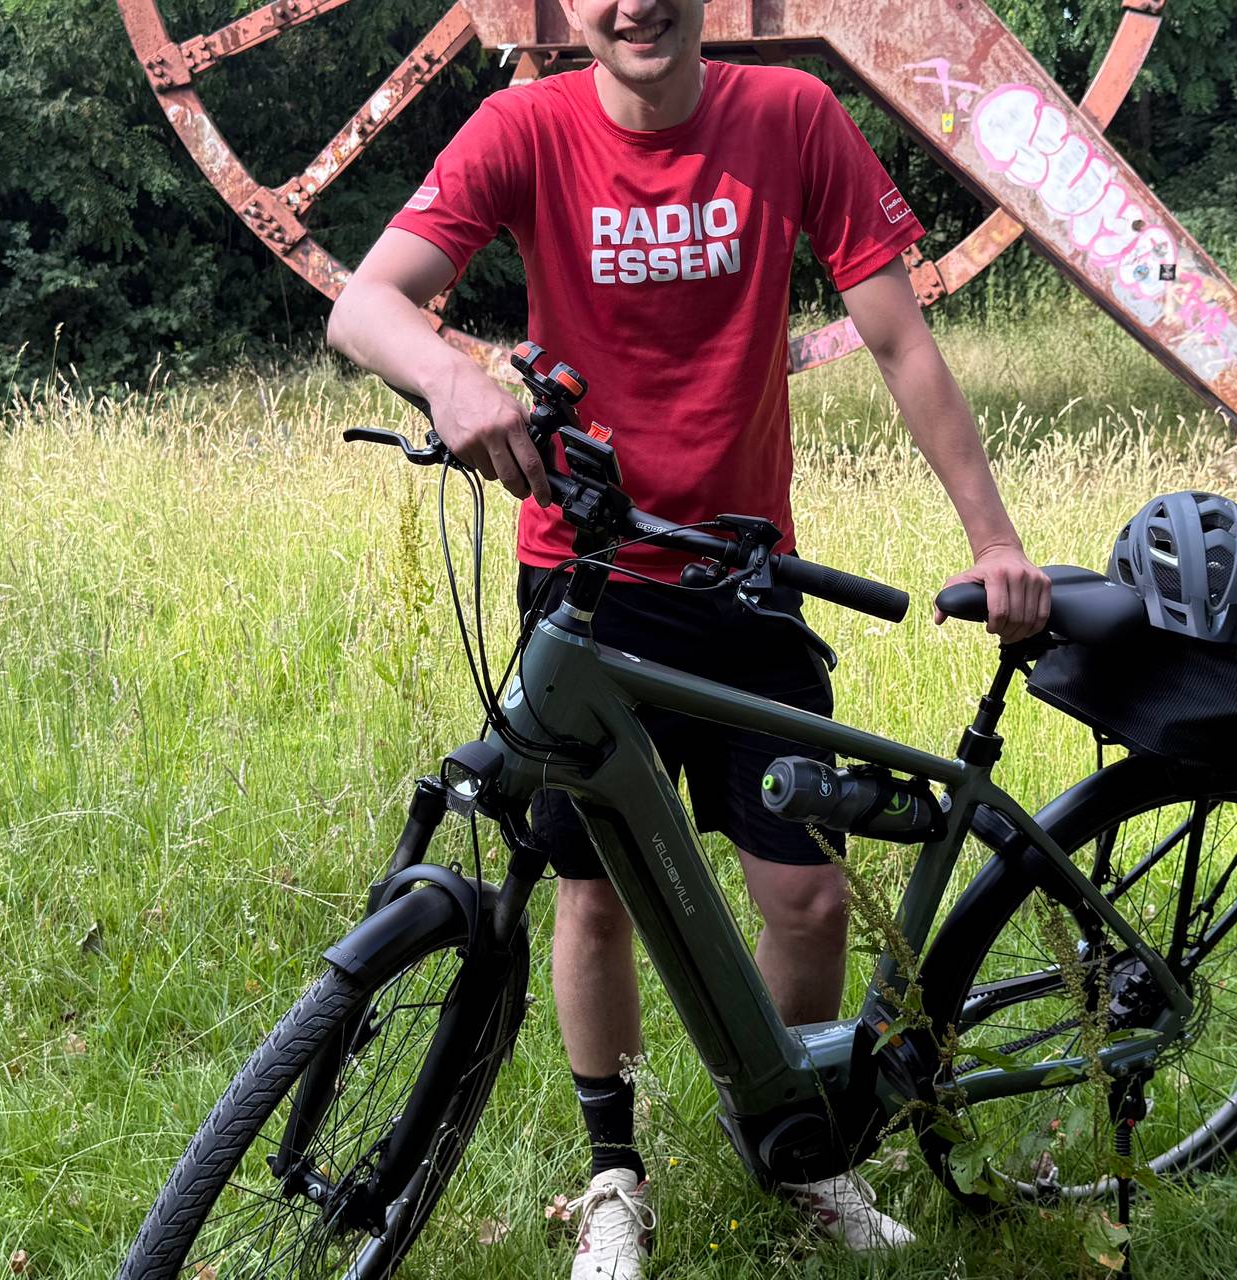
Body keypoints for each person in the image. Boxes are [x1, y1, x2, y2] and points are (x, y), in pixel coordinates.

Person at [326, 1, 1051, 1274]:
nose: (633, 6)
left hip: (741, 575)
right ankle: (615, 1174)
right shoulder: (523, 127)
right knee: (593, 892)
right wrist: (448, 376)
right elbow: (368, 302)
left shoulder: (789, 119)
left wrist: (994, 538)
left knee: (807, 892)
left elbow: (898, 338)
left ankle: (791, 1145)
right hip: (587, 585)